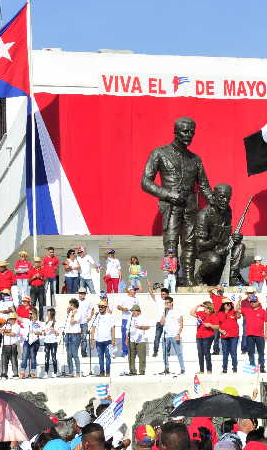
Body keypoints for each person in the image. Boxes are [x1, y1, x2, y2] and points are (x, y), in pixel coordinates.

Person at [141, 117, 214, 286]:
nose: (189, 135)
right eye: (185, 131)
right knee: (171, 242)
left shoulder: (196, 159)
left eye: (192, 132)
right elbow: (145, 182)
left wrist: (214, 202)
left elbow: (204, 185)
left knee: (190, 243)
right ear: (175, 132)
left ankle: (187, 277)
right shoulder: (159, 153)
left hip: (190, 206)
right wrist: (168, 194)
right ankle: (171, 278)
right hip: (171, 206)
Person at [242, 294, 267, 373]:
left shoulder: (262, 311)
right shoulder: (247, 310)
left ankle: (261, 368)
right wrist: (240, 300)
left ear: (258, 302)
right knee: (251, 352)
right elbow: (236, 309)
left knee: (261, 353)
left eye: (254, 301)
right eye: (251, 302)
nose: (252, 303)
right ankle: (252, 368)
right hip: (249, 335)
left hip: (260, 335)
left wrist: (266, 333)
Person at [191, 301, 219, 373]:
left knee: (206, 352)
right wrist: (197, 305)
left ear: (209, 308)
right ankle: (201, 370)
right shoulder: (201, 313)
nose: (204, 309)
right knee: (200, 353)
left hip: (208, 335)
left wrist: (210, 325)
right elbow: (191, 313)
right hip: (199, 335)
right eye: (204, 308)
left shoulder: (213, 315)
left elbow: (217, 326)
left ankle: (209, 370)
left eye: (205, 308)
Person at [90, 299, 115, 377]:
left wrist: (113, 339)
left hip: (108, 340)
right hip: (99, 340)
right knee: (100, 358)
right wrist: (92, 339)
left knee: (108, 357)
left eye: (102, 307)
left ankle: (108, 372)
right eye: (99, 307)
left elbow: (113, 328)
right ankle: (102, 372)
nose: (100, 308)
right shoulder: (96, 316)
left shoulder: (110, 316)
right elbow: (93, 328)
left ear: (105, 307)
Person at [161, 296, 185, 374]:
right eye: (165, 303)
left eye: (167, 303)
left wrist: (178, 334)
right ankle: (166, 368)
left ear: (172, 303)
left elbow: (181, 324)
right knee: (165, 353)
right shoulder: (165, 312)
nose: (166, 304)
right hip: (166, 335)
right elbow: (161, 323)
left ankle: (182, 368)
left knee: (179, 352)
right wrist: (164, 313)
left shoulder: (177, 312)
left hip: (175, 335)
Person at [217, 297, 242, 373]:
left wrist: (239, 301)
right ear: (223, 305)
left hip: (234, 335)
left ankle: (235, 368)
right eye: (227, 304)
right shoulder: (219, 313)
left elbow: (238, 315)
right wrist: (220, 330)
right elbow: (216, 325)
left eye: (230, 304)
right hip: (224, 336)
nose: (229, 305)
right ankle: (224, 369)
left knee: (233, 352)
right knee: (225, 353)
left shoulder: (233, 312)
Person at [20, 307, 43, 378]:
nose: (29, 314)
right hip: (27, 340)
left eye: (30, 313)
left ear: (34, 314)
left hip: (35, 341)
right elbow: (18, 317)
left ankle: (33, 372)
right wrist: (13, 310)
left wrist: (35, 332)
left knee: (33, 357)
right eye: (29, 313)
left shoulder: (38, 323)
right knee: (24, 356)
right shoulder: (26, 321)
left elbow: (41, 333)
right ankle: (22, 372)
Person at [127, 304, 151, 375]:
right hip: (131, 339)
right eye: (132, 311)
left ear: (138, 311)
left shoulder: (143, 318)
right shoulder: (130, 318)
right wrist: (127, 338)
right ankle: (132, 370)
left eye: (134, 311)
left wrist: (140, 327)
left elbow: (148, 327)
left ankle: (142, 370)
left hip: (141, 340)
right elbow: (127, 329)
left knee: (142, 356)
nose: (132, 313)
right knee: (131, 356)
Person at [149, 285, 171, 357]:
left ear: (167, 294)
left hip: (167, 323)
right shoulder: (158, 299)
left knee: (167, 337)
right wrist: (149, 285)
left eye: (164, 294)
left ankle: (167, 352)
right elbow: (151, 293)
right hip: (159, 322)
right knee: (157, 337)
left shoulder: (170, 301)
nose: (162, 295)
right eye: (161, 294)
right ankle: (155, 352)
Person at [117, 288, 138, 357]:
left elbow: (138, 309)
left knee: (133, 335)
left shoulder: (136, 299)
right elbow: (118, 306)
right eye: (133, 290)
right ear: (129, 290)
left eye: (135, 290)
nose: (134, 291)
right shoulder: (124, 298)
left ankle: (133, 351)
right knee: (124, 335)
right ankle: (125, 351)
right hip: (125, 319)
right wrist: (124, 309)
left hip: (133, 319)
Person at [64, 298, 82, 377]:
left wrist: (73, 314)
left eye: (70, 305)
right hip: (68, 334)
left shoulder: (78, 313)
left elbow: (72, 322)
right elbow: (67, 324)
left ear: (74, 305)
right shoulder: (70, 313)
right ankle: (71, 372)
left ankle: (78, 372)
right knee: (69, 355)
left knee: (75, 354)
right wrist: (68, 313)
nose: (69, 306)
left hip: (75, 335)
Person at [0, 312, 21, 379]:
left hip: (13, 345)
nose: (11, 320)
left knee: (14, 360)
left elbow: (13, 334)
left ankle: (15, 374)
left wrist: (5, 332)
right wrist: (7, 330)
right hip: (5, 345)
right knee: (4, 360)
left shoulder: (17, 326)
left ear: (15, 319)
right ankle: (4, 374)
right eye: (10, 319)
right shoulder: (6, 325)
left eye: (12, 319)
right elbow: (0, 330)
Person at [43, 308, 60, 378]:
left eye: (48, 313)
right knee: (46, 358)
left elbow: (58, 334)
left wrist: (54, 330)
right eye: (47, 313)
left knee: (53, 357)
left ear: (51, 314)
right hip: (46, 342)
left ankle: (55, 372)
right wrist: (44, 331)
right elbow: (43, 333)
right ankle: (46, 373)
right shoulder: (46, 322)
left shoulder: (56, 323)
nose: (47, 314)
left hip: (53, 342)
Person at [77, 288, 94, 357]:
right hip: (76, 323)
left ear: (85, 294)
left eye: (82, 293)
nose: (81, 294)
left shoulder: (88, 302)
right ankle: (75, 352)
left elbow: (92, 310)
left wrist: (90, 317)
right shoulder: (76, 301)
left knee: (84, 338)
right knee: (77, 338)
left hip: (84, 323)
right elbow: (70, 308)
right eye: (80, 293)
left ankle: (83, 352)